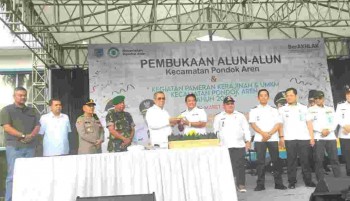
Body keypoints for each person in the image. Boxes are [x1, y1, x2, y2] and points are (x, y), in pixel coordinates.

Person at [0, 87, 40, 201]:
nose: (23, 97)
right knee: (12, 176)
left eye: (24, 95)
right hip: (14, 147)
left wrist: (31, 136)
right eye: (20, 95)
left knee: (29, 175)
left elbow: (38, 125)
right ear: (14, 96)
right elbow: (7, 127)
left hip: (30, 147)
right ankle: (10, 199)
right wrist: (22, 136)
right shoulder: (6, 110)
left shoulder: (32, 110)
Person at [249, 89, 287, 191]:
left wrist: (269, 134)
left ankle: (278, 184)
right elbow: (253, 124)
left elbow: (278, 124)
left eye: (265, 95)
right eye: (261, 95)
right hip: (259, 139)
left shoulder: (274, 110)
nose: (263, 97)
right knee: (260, 163)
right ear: (258, 98)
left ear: (268, 97)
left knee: (276, 161)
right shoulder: (254, 110)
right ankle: (260, 185)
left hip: (272, 138)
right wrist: (263, 134)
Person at [278, 88, 316, 189]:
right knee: (291, 161)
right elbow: (280, 125)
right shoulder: (282, 109)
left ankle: (308, 181)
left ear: (296, 96)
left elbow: (309, 123)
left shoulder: (304, 108)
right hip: (289, 139)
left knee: (305, 161)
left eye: (291, 95)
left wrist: (311, 137)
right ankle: (291, 182)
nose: (289, 97)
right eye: (287, 95)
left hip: (304, 138)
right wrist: (281, 137)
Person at [213, 96, 251, 193]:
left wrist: (248, 141)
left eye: (231, 103)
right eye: (228, 104)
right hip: (224, 146)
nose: (230, 105)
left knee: (240, 166)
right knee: (225, 166)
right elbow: (215, 131)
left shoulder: (240, 116)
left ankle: (241, 184)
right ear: (224, 106)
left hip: (239, 145)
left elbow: (246, 129)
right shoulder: (218, 117)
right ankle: (226, 185)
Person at [307, 91, 341, 181]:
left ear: (323, 99)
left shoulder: (330, 109)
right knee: (319, 160)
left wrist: (328, 130)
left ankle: (338, 177)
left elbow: (335, 121)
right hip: (318, 137)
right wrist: (321, 130)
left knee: (334, 158)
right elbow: (310, 124)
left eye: (320, 98)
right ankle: (320, 179)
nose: (318, 100)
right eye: (316, 98)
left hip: (331, 137)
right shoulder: (310, 110)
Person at [335, 88, 350, 176]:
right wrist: (345, 126)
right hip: (344, 134)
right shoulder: (340, 106)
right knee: (346, 155)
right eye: (347, 94)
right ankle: (349, 171)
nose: (349, 96)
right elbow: (337, 118)